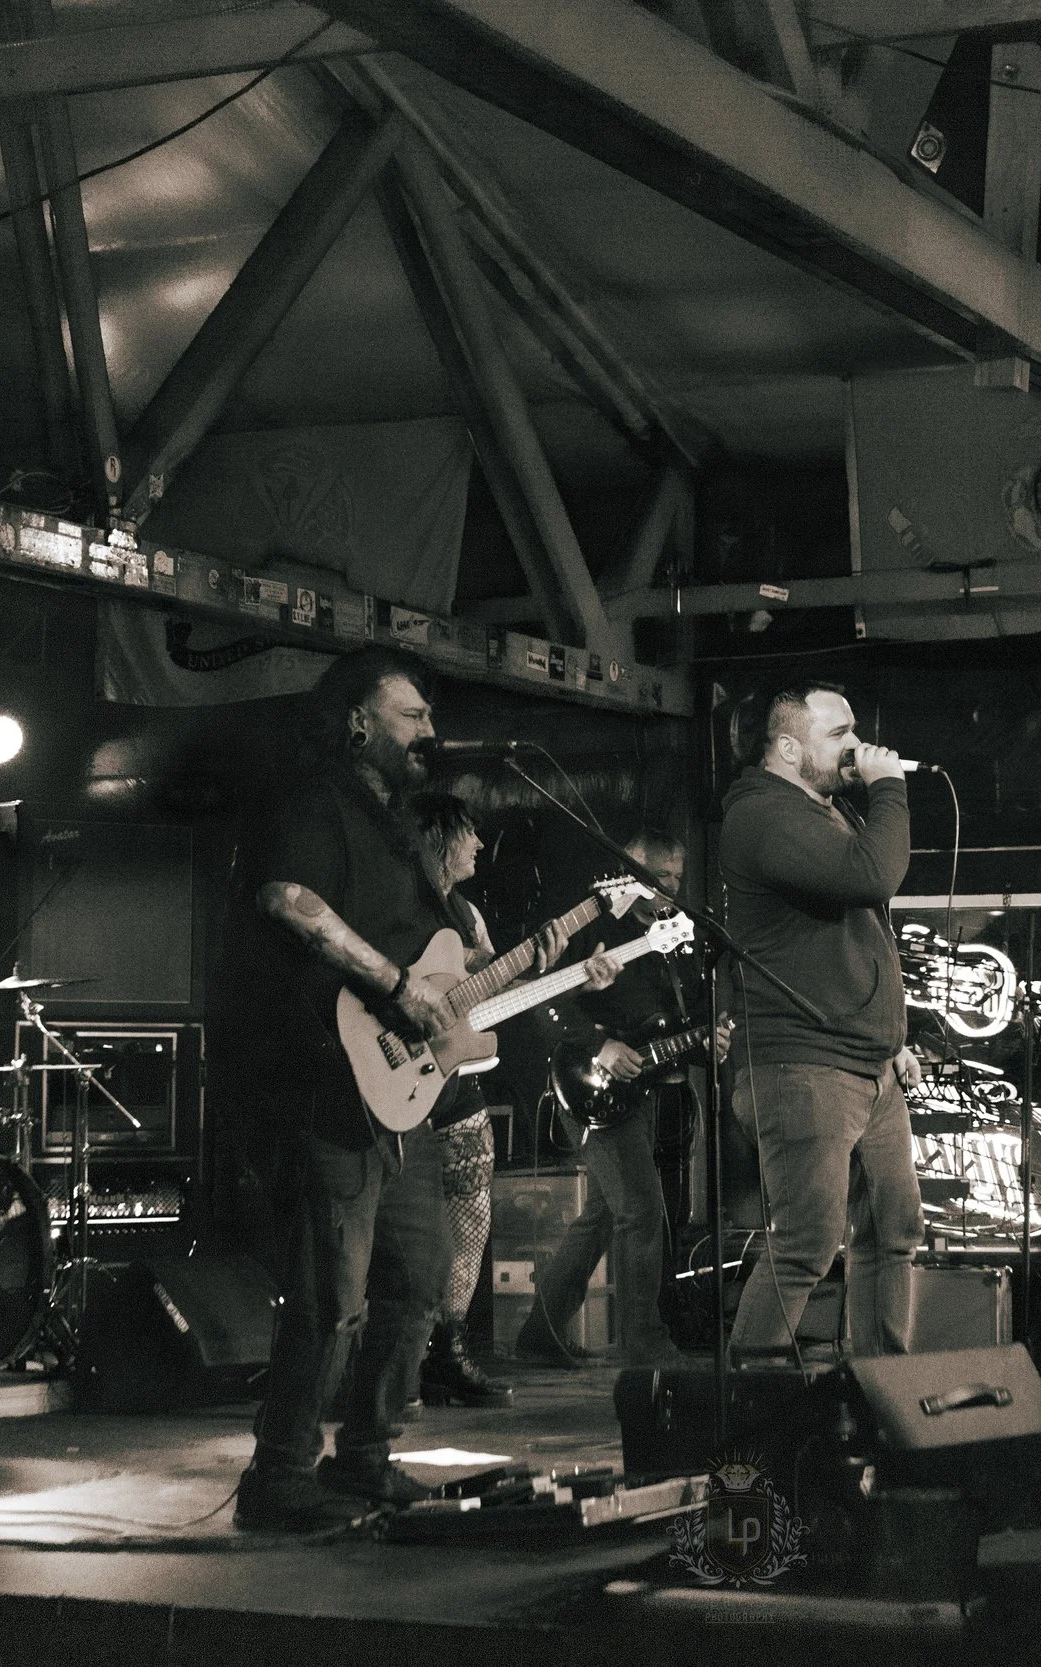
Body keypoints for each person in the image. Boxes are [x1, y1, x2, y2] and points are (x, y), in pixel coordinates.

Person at [207, 647, 591, 1532]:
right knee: (329, 1293)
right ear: (358, 722)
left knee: (419, 1276)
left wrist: (511, 973)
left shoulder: (396, 829)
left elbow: (442, 970)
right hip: (321, 1080)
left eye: (429, 717)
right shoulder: (314, 801)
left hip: (397, 1098)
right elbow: (287, 898)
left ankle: (366, 1458)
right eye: (412, 715)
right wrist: (394, 983)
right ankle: (280, 1474)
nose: (429, 730)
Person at [719, 680, 923, 1360]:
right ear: (787, 748)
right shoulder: (763, 815)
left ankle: (883, 1390)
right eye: (838, 734)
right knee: (807, 1240)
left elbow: (854, 937)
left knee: (893, 1231)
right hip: (802, 1065)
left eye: (854, 730)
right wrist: (889, 789)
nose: (857, 746)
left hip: (867, 1064)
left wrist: (891, 1039)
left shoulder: (821, 812)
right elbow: (873, 876)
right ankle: (752, 1397)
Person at [515, 830, 723, 1369]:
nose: (670, 887)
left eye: (677, 877)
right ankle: (644, 1343)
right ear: (629, 874)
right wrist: (599, 1045)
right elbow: (542, 1003)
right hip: (589, 1085)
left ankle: (540, 1333)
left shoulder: (675, 934)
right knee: (641, 1211)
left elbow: (676, 1023)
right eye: (659, 876)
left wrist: (708, 1042)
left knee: (606, 1214)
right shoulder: (595, 925)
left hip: (646, 1090)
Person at [409, 792, 514, 1409]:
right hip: (395, 1085)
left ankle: (447, 1350)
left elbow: (487, 1001)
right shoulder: (399, 905)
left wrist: (556, 971)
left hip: (455, 1082)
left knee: (470, 1219)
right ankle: (387, 1360)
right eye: (468, 832)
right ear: (437, 837)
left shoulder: (469, 916)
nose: (478, 843)